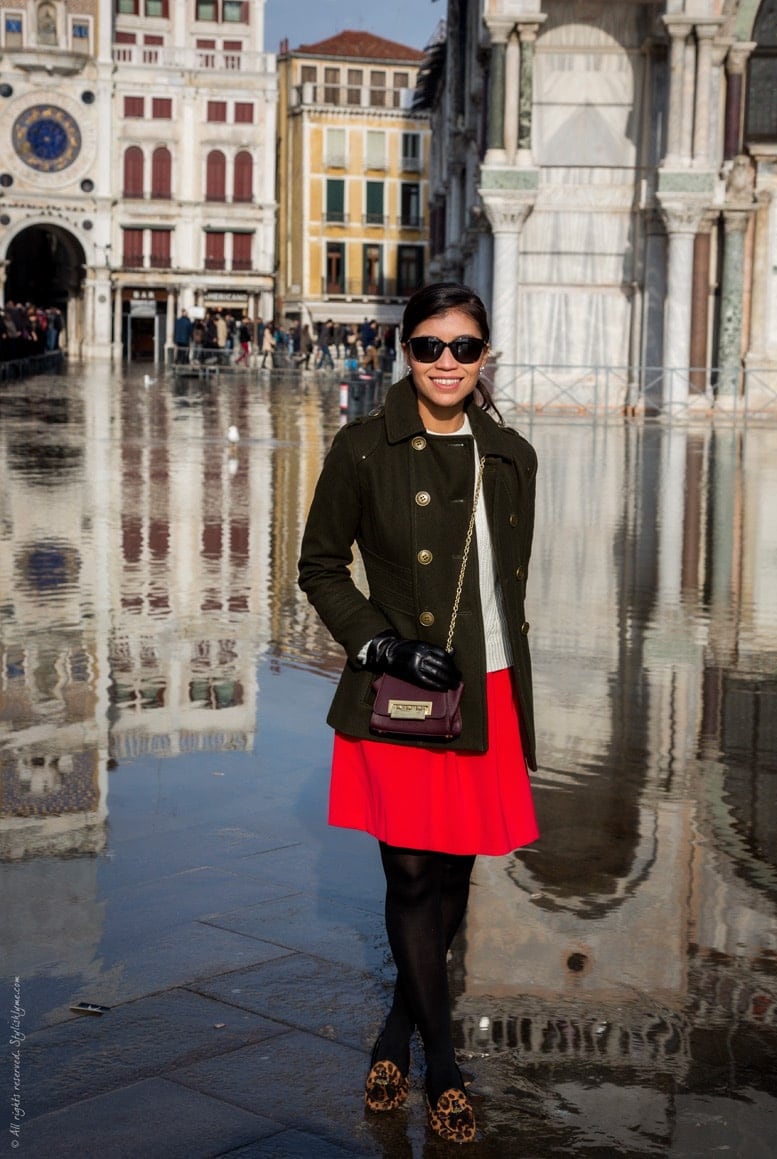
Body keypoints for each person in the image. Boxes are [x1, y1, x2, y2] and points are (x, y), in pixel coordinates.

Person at [298, 282, 538, 1144]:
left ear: (485, 357)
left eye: (463, 347)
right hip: (403, 693)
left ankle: (395, 1031)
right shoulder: (364, 448)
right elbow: (320, 566)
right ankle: (443, 1063)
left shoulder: (512, 455)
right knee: (407, 876)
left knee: (452, 878)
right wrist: (384, 644)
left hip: (486, 689)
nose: (446, 363)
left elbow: (507, 588)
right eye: (430, 346)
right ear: (405, 353)